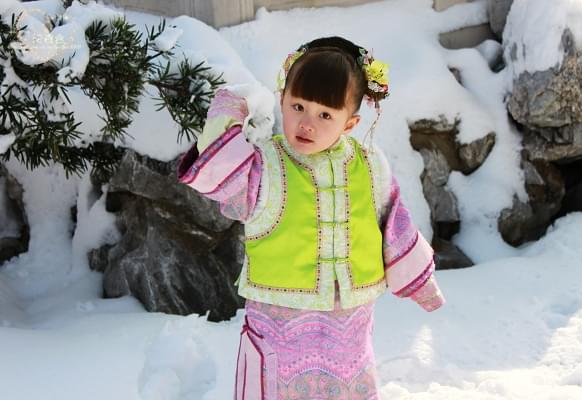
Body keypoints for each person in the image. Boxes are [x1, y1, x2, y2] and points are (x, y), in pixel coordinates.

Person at [178, 36, 445, 400]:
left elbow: (392, 220)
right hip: (279, 322)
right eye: (298, 106)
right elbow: (217, 161)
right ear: (282, 98)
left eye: (325, 115)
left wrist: (418, 282)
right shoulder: (263, 167)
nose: (307, 123)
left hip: (348, 322)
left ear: (349, 123)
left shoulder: (369, 164)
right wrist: (229, 106)